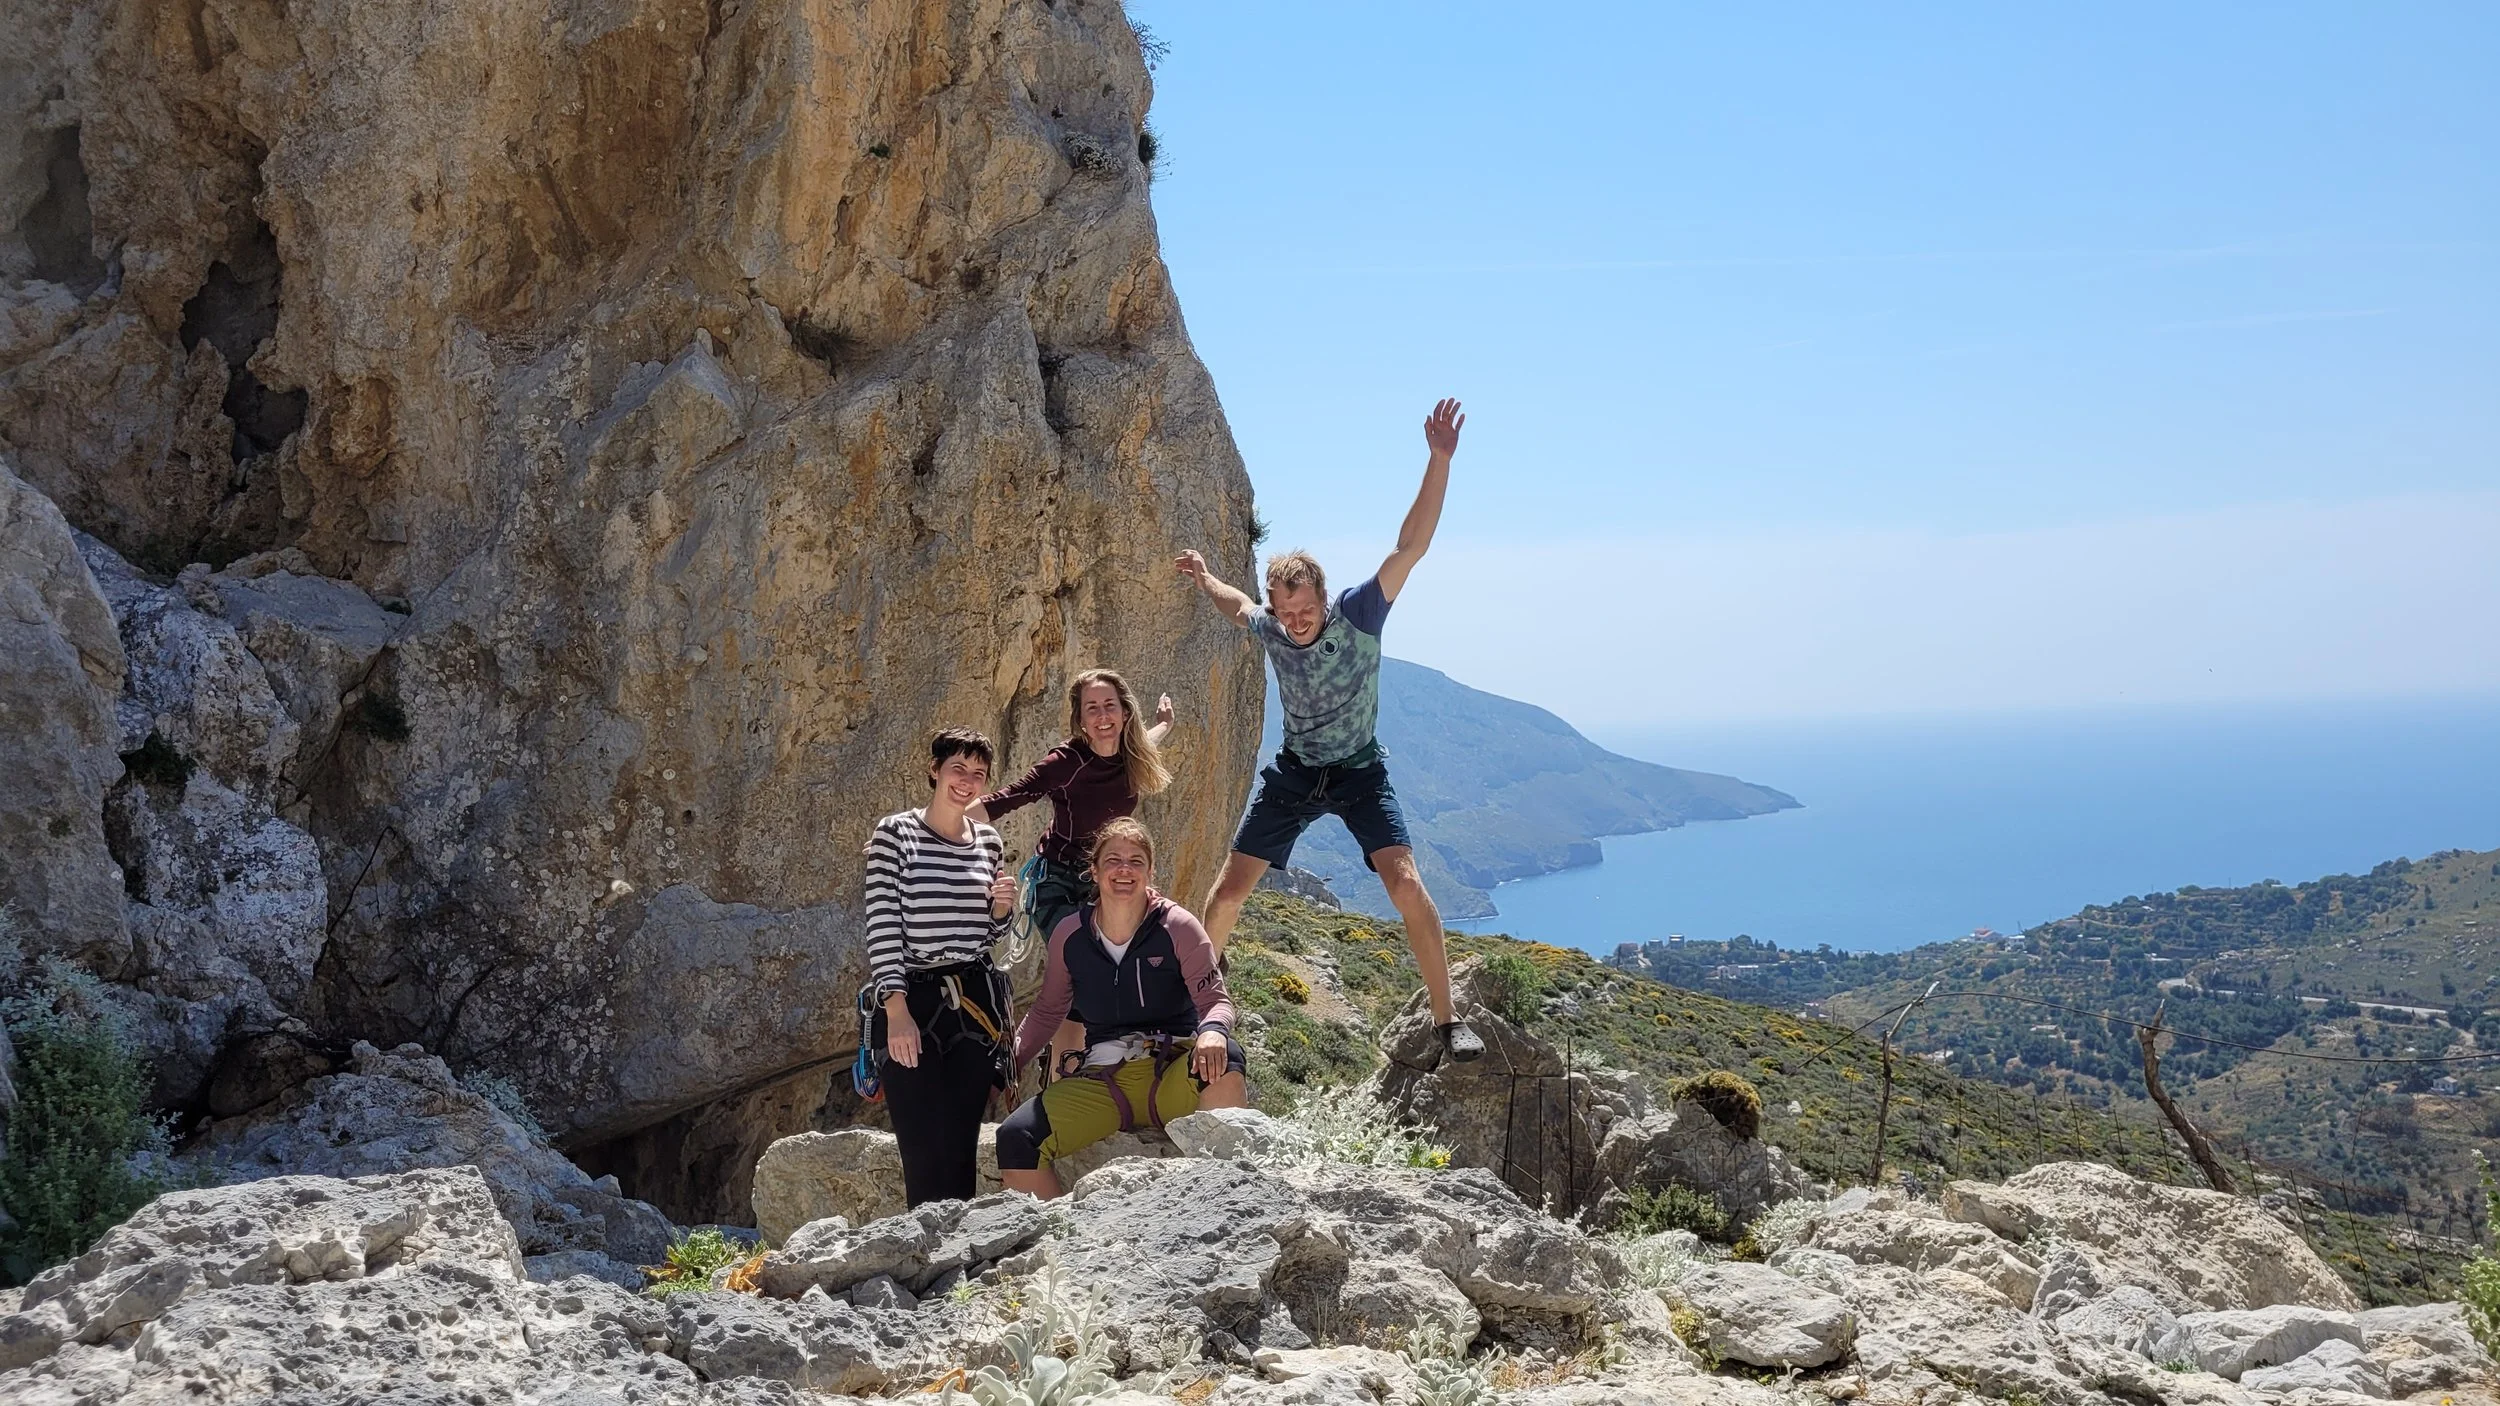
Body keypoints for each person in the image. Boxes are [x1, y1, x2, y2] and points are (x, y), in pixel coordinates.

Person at [1173, 397, 1483, 1062]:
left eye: (1304, 609)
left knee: (1407, 885)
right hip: (1296, 774)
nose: (1295, 623)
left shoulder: (1359, 614)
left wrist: (1438, 460)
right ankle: (1197, 1005)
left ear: (1323, 597)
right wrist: (1204, 579)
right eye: (1285, 613)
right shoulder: (1273, 627)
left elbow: (1412, 546)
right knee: (1228, 891)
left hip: (1360, 772)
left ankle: (1448, 1021)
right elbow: (1238, 605)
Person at [995, 818, 1244, 1198]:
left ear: (1150, 872)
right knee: (1016, 1139)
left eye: (1135, 861)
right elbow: (1048, 1010)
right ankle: (1062, 1238)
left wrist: (1213, 1031)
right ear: (1093, 871)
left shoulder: (1177, 926)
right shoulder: (1070, 934)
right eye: (1113, 860)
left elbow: (1215, 1001)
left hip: (1173, 1069)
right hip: (1104, 1082)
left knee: (1224, 1057)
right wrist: (1008, 1064)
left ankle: (1220, 1198)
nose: (1124, 870)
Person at [863, 726, 1020, 1207]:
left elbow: (988, 940)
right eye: (958, 768)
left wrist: (1000, 912)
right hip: (912, 997)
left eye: (978, 773)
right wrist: (896, 1009)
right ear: (934, 771)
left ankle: (961, 1268)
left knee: (960, 1142)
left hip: (972, 1002)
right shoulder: (895, 834)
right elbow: (883, 922)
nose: (967, 781)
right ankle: (926, 1258)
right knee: (920, 1141)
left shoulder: (989, 842)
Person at [971, 668, 1176, 939]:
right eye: (1092, 708)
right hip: (1058, 879)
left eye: (1109, 706)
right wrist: (938, 823)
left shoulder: (1132, 754)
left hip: (1101, 875)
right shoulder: (1066, 763)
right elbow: (1009, 797)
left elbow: (1146, 742)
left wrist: (1164, 724)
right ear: (1080, 720)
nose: (1103, 716)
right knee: (1076, 955)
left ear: (1125, 713)